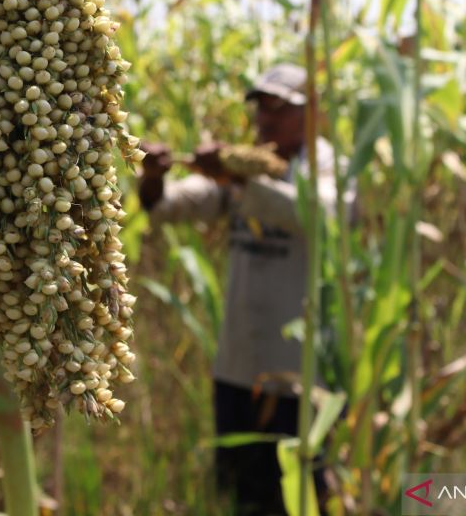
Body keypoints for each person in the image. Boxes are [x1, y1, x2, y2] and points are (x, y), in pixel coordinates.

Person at [138, 63, 345, 516]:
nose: (266, 119)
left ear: (310, 114)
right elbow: (172, 206)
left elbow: (322, 216)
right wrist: (153, 178)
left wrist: (238, 179)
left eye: (279, 108)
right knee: (240, 496)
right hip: (239, 367)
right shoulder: (243, 166)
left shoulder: (326, 165)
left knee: (301, 499)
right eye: (260, 108)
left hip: (299, 376)